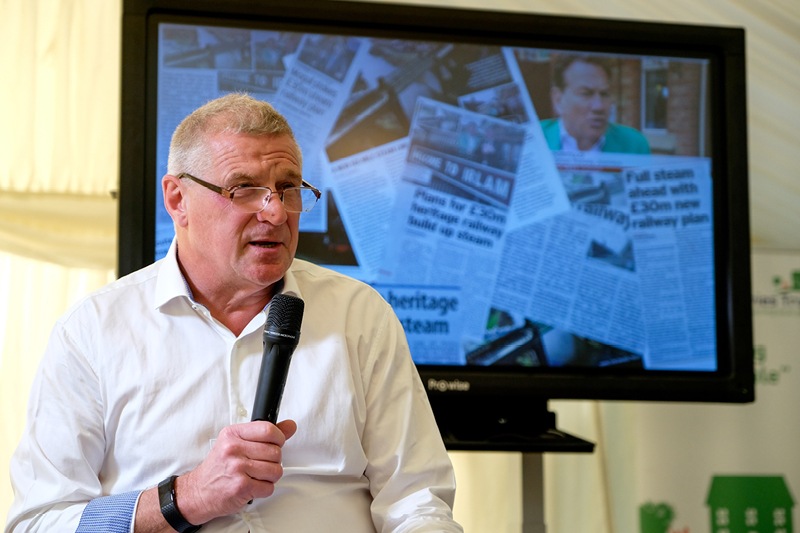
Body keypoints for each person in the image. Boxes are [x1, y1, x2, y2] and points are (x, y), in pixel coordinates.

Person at [6, 93, 463, 533]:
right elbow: (39, 522)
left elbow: (415, 501)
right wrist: (187, 498)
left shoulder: (360, 315)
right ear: (177, 200)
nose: (276, 213)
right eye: (245, 189)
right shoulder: (92, 332)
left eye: (288, 189)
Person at [540, 54, 650, 154]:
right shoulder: (535, 139)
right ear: (558, 100)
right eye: (586, 94)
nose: (599, 106)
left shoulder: (634, 145)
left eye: (604, 94)